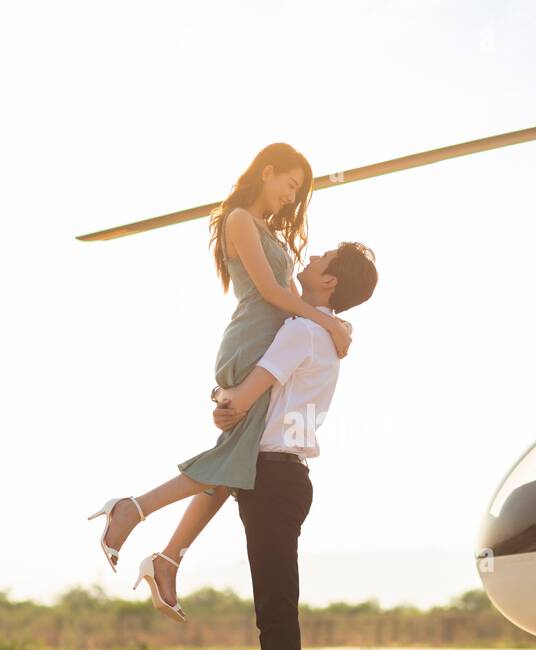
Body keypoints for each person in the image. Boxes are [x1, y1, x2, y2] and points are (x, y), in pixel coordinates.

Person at [86, 144, 357, 622]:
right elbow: (273, 295)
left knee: (235, 467)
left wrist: (332, 322)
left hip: (263, 347)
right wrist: (328, 323)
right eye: (290, 185)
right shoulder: (239, 220)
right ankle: (135, 512)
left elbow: (294, 302)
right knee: (234, 463)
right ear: (267, 172)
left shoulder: (268, 231)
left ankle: (165, 555)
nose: (292, 198)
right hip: (248, 344)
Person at [203, 241, 378, 650]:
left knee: (276, 620)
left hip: (273, 477)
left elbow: (240, 401)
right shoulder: (323, 334)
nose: (306, 261)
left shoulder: (301, 331)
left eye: (318, 259)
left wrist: (221, 397)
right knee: (279, 618)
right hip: (287, 477)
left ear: (328, 282)